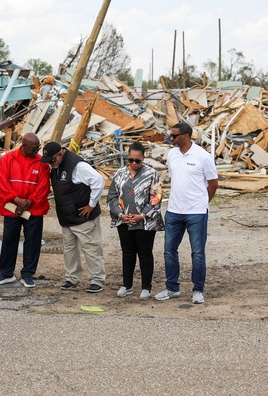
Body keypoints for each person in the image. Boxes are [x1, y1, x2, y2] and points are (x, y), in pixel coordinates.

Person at [155, 122, 218, 304]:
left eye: (174, 136)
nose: (171, 139)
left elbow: (213, 184)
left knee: (197, 252)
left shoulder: (203, 157)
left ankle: (198, 290)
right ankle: (172, 288)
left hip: (196, 213)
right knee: (169, 250)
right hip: (174, 211)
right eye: (171, 135)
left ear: (186, 135)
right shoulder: (172, 155)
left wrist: (202, 203)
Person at [40, 141, 106, 293]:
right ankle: (72, 277)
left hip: (83, 216)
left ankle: (97, 279)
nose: (50, 163)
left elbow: (98, 181)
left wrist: (91, 204)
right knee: (69, 249)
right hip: (66, 217)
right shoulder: (56, 166)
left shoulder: (78, 166)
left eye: (52, 159)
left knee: (91, 248)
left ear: (60, 154)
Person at [0, 132, 51, 288]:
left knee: (33, 241)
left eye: (38, 148)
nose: (36, 152)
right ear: (23, 145)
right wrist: (16, 200)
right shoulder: (8, 159)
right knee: (10, 239)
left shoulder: (42, 163)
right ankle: (6, 273)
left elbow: (43, 186)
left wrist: (29, 201)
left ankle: (28, 274)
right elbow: (1, 182)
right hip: (12, 208)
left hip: (33, 210)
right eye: (33, 148)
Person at [107, 142, 164, 300]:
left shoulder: (152, 174)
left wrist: (142, 215)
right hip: (124, 220)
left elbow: (156, 197)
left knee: (145, 253)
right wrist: (120, 214)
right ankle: (127, 285)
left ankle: (146, 287)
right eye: (130, 159)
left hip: (145, 221)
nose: (133, 163)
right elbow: (112, 197)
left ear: (143, 158)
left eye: (137, 160)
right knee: (127, 252)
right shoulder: (119, 174)